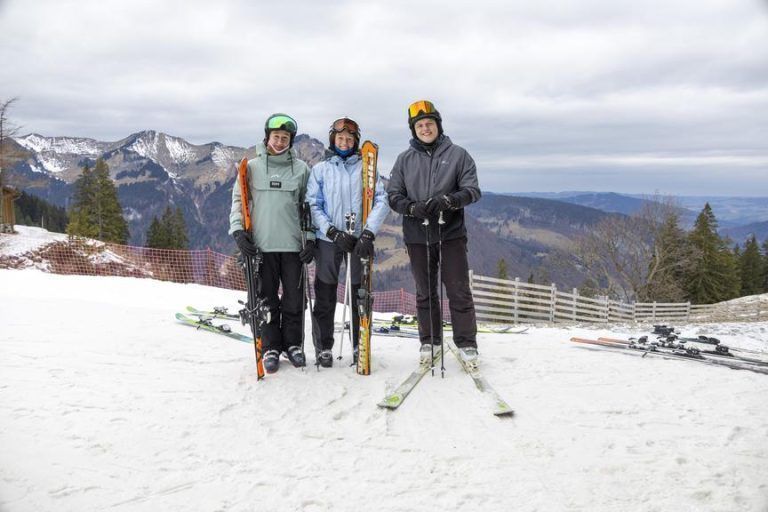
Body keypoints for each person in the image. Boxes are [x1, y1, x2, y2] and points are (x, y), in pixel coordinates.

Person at [386, 100, 482, 365]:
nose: (425, 128)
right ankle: (430, 341)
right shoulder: (404, 159)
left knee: (458, 289)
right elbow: (393, 195)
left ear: (438, 125)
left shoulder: (458, 155)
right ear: (413, 129)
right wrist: (412, 208)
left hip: (450, 232)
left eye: (429, 123)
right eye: (420, 125)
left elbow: (473, 190)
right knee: (425, 291)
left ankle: (466, 343)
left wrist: (448, 201)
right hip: (418, 234)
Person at [229, 113, 316, 374]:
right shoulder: (252, 167)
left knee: (294, 299)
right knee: (266, 300)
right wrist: (237, 232)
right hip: (261, 247)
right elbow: (238, 201)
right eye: (276, 137)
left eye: (285, 138)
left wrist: (309, 238)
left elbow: (309, 207)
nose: (280, 142)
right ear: (267, 138)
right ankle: (270, 347)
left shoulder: (301, 169)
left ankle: (293, 345)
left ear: (291, 140)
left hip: (292, 246)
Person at [306, 117, 389, 368]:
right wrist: (331, 232)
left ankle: (359, 342)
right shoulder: (321, 170)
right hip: (329, 239)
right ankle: (323, 347)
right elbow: (313, 204)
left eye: (350, 138)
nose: (345, 142)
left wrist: (368, 233)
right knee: (325, 293)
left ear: (355, 141)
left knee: (359, 294)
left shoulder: (367, 168)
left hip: (358, 239)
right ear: (333, 139)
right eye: (340, 138)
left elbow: (381, 201)